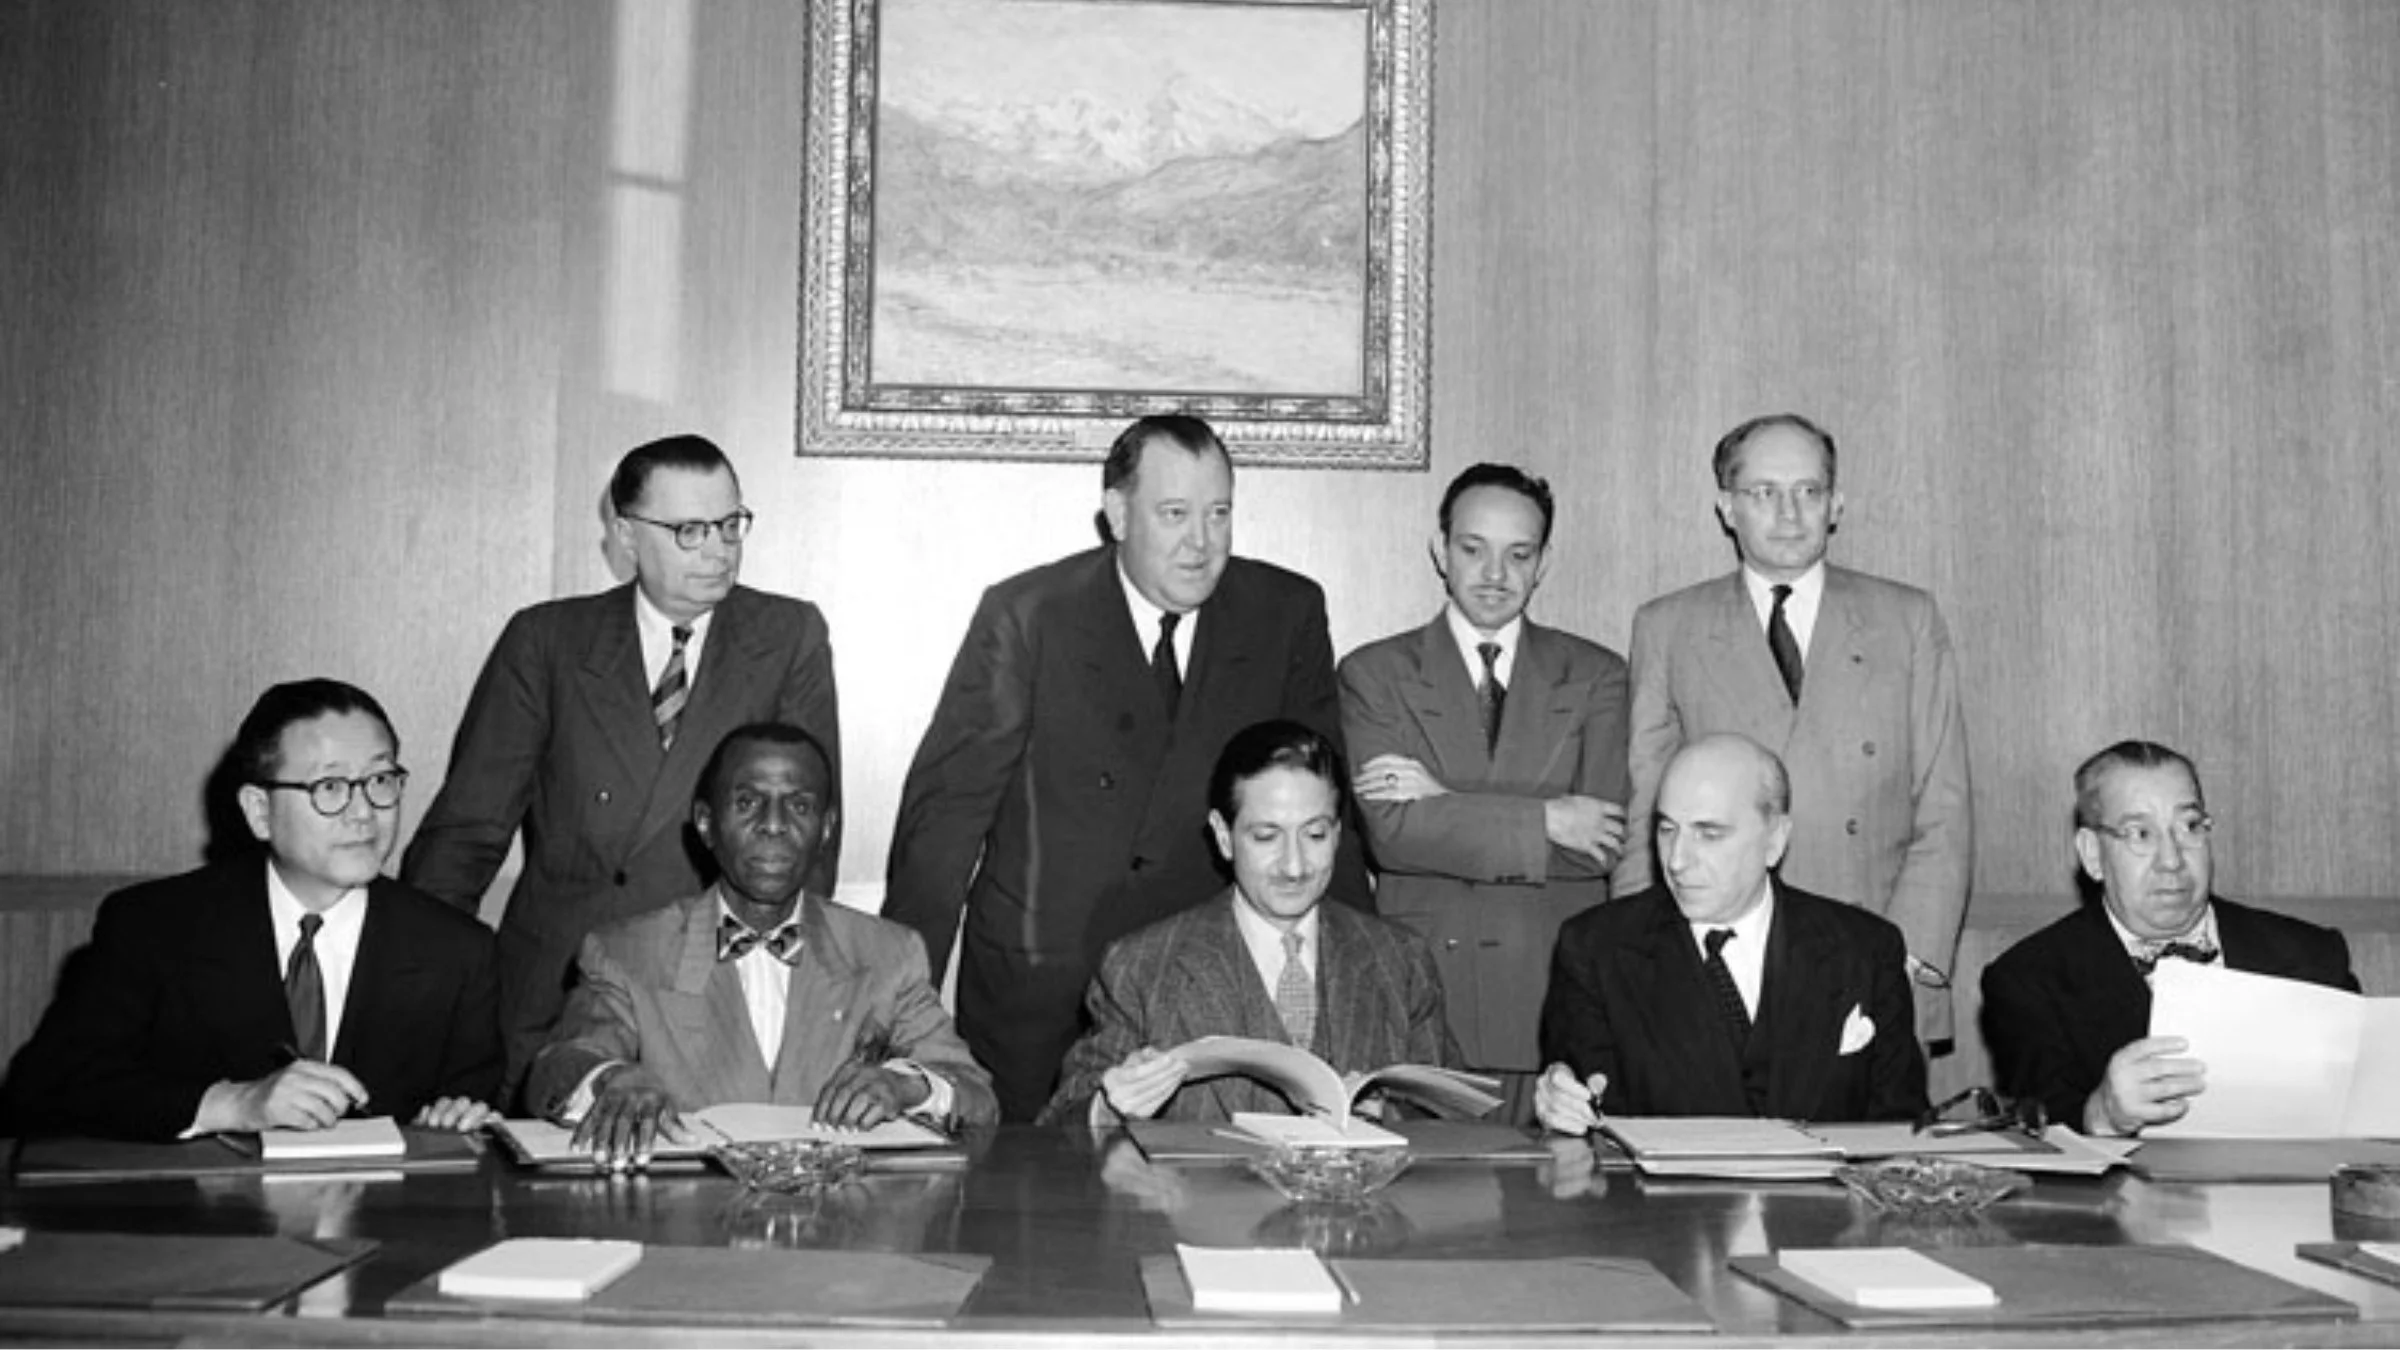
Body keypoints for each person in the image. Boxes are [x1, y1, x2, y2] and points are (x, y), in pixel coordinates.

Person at [885, 415, 1365, 1121]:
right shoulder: (1029, 615)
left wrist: (1357, 987)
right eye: (1174, 515)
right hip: (1044, 991)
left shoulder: (1284, 612)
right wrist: (896, 1011)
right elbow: (946, 823)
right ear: (1116, 515)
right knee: (1039, 1211)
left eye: (1219, 514)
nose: (1202, 544)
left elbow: (1325, 808)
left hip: (1210, 984)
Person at [401, 434, 840, 1088]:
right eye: (690, 530)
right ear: (626, 535)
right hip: (562, 988)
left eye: (729, 523)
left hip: (715, 993)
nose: (719, 549)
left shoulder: (788, 635)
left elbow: (809, 838)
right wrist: (412, 988)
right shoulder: (547, 641)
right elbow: (468, 831)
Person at [1, 680, 501, 1142]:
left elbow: (467, 1118)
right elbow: (44, 1090)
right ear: (259, 811)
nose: (364, 811)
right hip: (204, 1228)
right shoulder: (153, 926)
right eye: (330, 787)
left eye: (381, 779)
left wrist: (452, 1125)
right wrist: (232, 1104)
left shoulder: (459, 951)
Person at [1618, 413, 1972, 1045]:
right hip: (1718, 960)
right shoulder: (1668, 627)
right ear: (1727, 507)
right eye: (1763, 493)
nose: (1789, 514)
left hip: (1875, 954)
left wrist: (1904, 958)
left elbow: (1943, 805)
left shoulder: (1907, 619)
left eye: (1808, 492)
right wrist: (1635, 965)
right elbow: (1649, 810)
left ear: (1836, 504)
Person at [525, 724, 995, 1168]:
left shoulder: (888, 954)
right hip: (685, 1234)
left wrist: (906, 1085)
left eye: (800, 806)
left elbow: (977, 1097)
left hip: (840, 1234)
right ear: (706, 825)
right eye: (748, 802)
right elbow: (558, 1068)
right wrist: (611, 1078)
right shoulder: (628, 953)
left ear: (826, 829)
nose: (774, 825)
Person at [1338, 463, 1627, 1116]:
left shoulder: (1597, 675)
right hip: (1423, 994)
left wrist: (1444, 798)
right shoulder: (1373, 673)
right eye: (1474, 549)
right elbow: (1393, 835)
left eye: (1517, 554)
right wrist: (1547, 818)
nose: (1495, 574)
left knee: (1556, 1209)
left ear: (1543, 562)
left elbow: (1597, 846)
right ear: (1441, 550)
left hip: (1550, 992)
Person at [1040, 720, 1458, 1126]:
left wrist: (1391, 1117)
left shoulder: (1401, 960)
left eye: (1314, 835)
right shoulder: (1141, 966)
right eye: (1266, 837)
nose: (1294, 866)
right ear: (1223, 836)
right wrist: (1109, 1109)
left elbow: (1450, 1123)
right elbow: (1058, 1139)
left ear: (1337, 834)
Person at [1536, 733, 1925, 1130]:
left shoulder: (1864, 950)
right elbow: (1586, 1133)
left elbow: (1899, 1133)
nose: (1677, 861)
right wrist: (1560, 1104)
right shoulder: (1595, 950)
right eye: (1667, 830)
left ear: (1774, 840)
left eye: (1709, 834)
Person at [1982, 740, 2357, 1136]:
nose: (2173, 860)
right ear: (2092, 854)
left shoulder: (2312, 957)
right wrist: (2103, 1114)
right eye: (2141, 834)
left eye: (2190, 827)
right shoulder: (2028, 980)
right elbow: (2040, 1128)